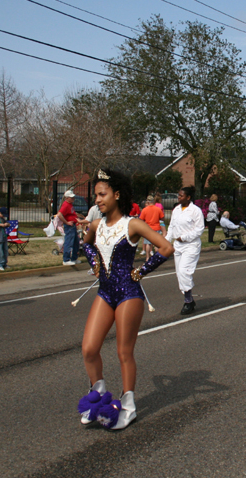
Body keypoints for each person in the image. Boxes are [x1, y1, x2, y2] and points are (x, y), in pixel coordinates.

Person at [78, 168, 174, 430]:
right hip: (105, 291)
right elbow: (86, 244)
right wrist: (94, 261)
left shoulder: (133, 224)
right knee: (89, 349)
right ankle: (97, 397)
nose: (97, 200)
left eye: (102, 194)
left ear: (117, 195)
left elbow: (166, 247)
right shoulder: (96, 225)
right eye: (96, 195)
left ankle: (128, 406)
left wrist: (141, 271)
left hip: (129, 294)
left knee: (123, 352)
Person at [165, 187, 205, 315]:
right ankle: (190, 299)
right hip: (178, 246)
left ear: (188, 197)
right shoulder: (176, 210)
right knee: (179, 273)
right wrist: (165, 242)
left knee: (184, 271)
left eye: (181, 196)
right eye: (178, 195)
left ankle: (188, 301)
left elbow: (199, 229)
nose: (179, 197)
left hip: (191, 245)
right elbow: (171, 227)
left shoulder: (195, 211)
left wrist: (184, 237)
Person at [57, 190, 82, 265]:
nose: (73, 198)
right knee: (69, 242)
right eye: (71, 197)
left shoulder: (70, 204)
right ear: (66, 198)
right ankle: (66, 260)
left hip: (73, 225)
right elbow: (59, 214)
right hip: (69, 226)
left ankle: (74, 258)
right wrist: (66, 222)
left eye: (73, 197)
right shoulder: (66, 205)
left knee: (76, 242)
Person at [139, 196, 165, 260]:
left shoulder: (144, 210)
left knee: (148, 243)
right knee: (156, 244)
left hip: (148, 228)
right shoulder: (158, 209)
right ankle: (156, 257)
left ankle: (147, 257)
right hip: (156, 228)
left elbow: (141, 219)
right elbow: (162, 218)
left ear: (148, 202)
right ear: (153, 201)